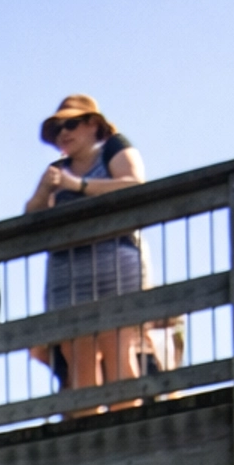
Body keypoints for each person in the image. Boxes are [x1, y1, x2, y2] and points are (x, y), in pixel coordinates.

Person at [24, 94, 147, 397]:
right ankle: (88, 429)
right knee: (77, 358)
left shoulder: (114, 149)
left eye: (71, 124)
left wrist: (77, 186)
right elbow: (31, 218)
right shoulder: (58, 169)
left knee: (116, 347)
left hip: (113, 263)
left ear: (94, 124)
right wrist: (43, 191)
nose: (63, 134)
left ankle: (130, 426)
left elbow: (134, 184)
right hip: (67, 271)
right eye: (57, 130)